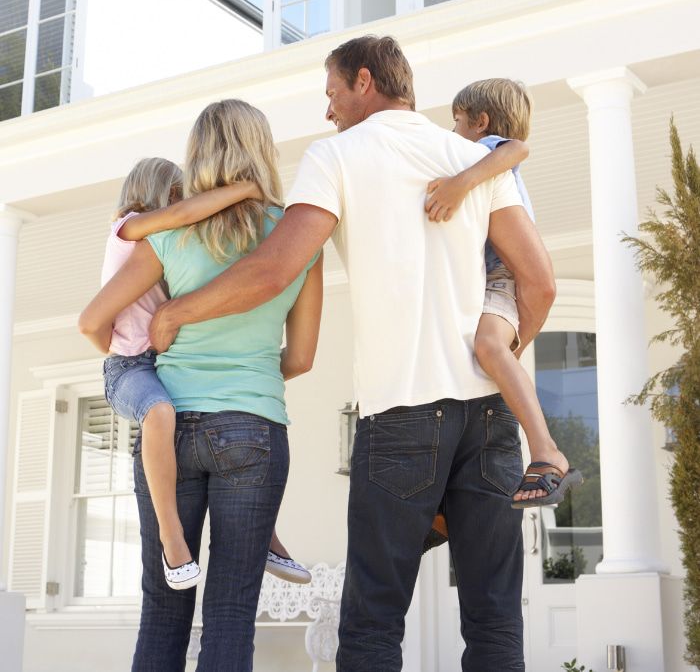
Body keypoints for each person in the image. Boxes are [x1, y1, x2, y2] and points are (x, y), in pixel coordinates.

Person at [143, 36, 556, 672]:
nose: (327, 110)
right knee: (495, 619)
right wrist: (502, 350)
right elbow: (540, 282)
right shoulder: (469, 156)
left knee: (371, 627)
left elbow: (275, 268)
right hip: (490, 419)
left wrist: (175, 311)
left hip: (400, 419)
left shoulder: (336, 155)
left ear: (365, 81)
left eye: (332, 93)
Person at [78, 100, 323, 671]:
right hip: (254, 430)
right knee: (232, 612)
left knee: (163, 610)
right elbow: (305, 357)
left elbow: (97, 320)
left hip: (172, 427)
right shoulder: (295, 239)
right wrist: (255, 375)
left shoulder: (165, 239)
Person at [424, 79, 583, 510]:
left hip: (504, 275)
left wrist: (459, 183)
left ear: (481, 122)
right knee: (480, 368)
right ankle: (447, 502)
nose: (452, 132)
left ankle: (548, 452)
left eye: (456, 122)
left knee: (490, 347)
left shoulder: (488, 152)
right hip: (489, 276)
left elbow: (518, 148)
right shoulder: (481, 156)